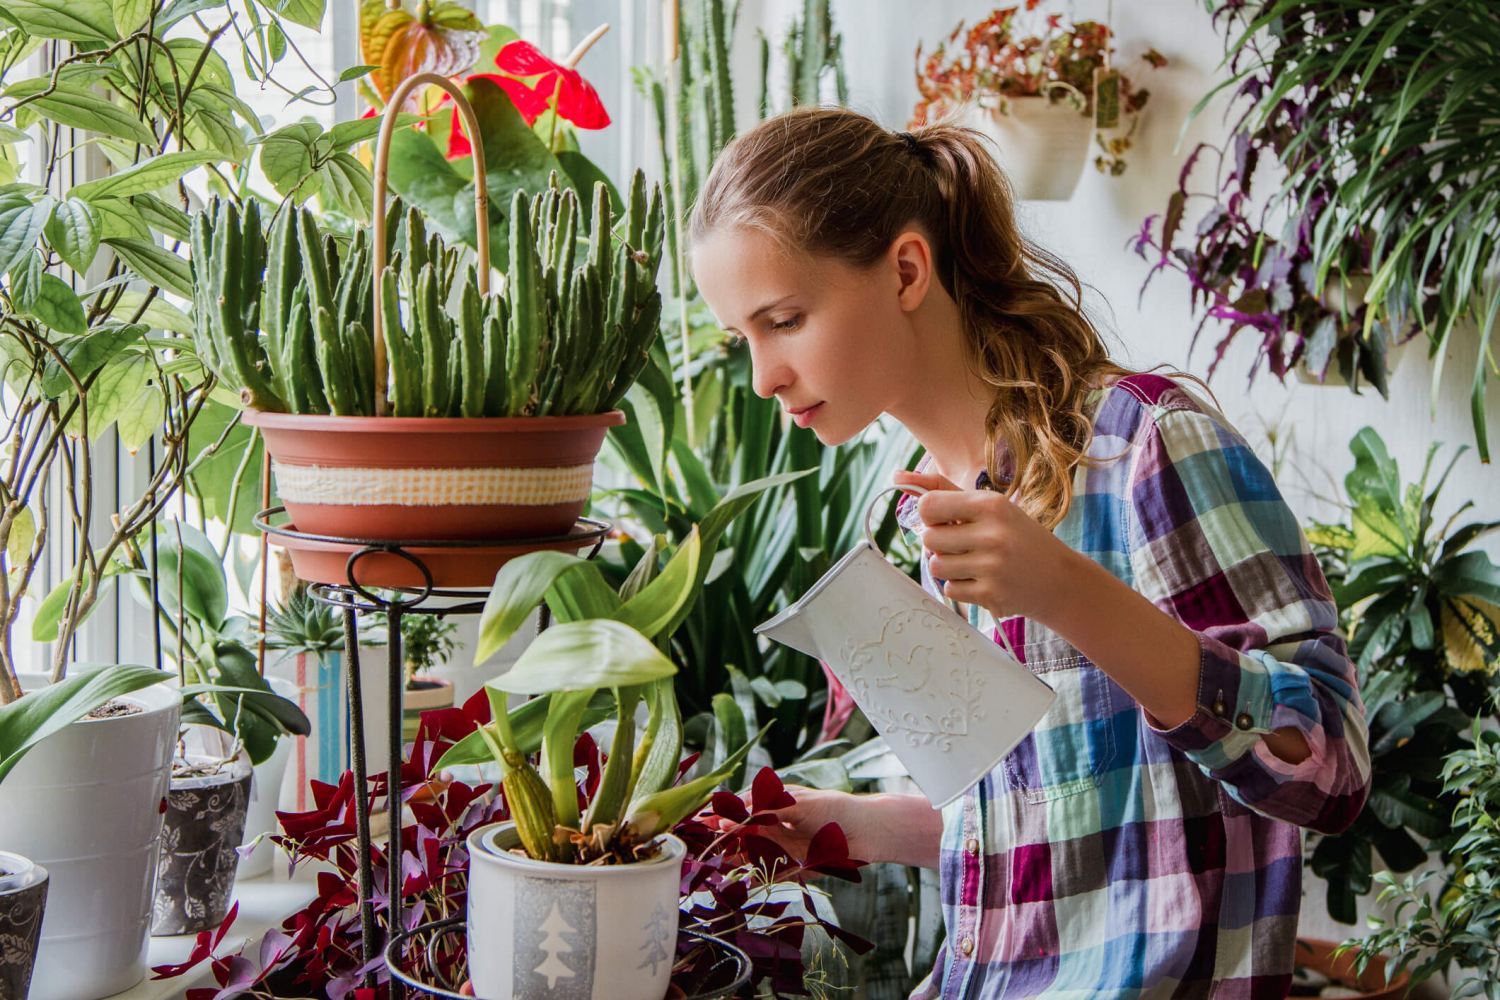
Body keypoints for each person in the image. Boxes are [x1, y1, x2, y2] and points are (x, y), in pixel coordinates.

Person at [690, 106, 1371, 1000]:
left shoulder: (1146, 447)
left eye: (784, 319)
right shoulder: (917, 517)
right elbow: (1054, 820)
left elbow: (1329, 770)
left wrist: (1066, 591)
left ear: (905, 269)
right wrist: (849, 827)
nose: (763, 376)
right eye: (743, 338)